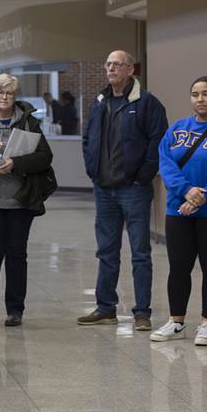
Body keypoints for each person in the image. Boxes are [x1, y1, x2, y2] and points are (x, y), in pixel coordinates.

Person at [78, 50, 168, 330]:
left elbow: (158, 142)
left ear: (131, 70)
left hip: (134, 189)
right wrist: (92, 169)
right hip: (104, 189)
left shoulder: (146, 102)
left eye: (117, 64)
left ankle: (142, 312)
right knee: (106, 251)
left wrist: (143, 176)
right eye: (108, 64)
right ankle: (106, 308)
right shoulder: (100, 101)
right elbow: (88, 137)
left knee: (140, 253)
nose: (111, 68)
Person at [0, 74, 54, 326]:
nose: (4, 97)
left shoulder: (29, 123)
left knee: (17, 255)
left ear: (15, 97)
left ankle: (15, 310)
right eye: (0, 93)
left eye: (9, 93)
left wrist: (16, 164)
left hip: (20, 201)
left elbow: (44, 157)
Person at [150, 76, 207, 346]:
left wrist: (204, 194)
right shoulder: (178, 129)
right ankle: (176, 321)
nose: (200, 99)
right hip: (178, 210)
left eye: (206, 94)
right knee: (178, 267)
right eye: (195, 94)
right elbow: (166, 165)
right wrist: (187, 191)